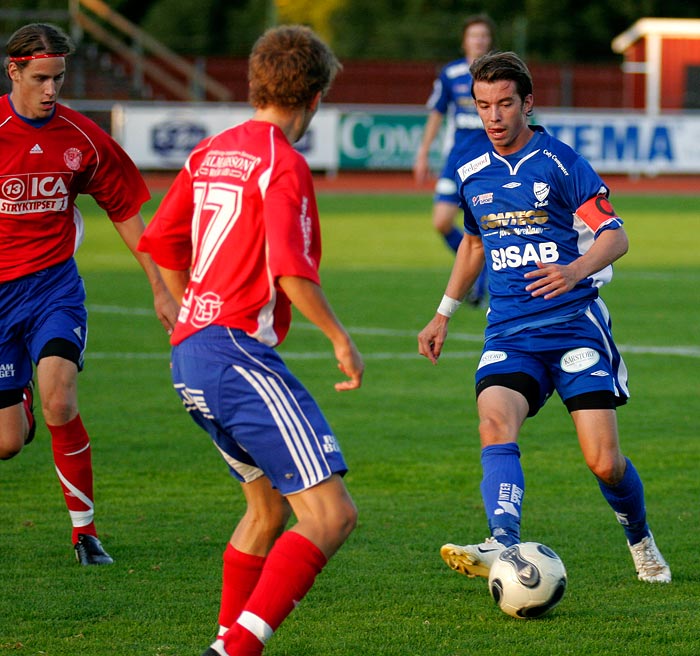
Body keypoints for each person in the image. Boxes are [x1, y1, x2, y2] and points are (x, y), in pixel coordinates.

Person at [137, 25, 365, 656]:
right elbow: (291, 272)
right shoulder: (282, 164)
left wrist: (187, 305)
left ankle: (223, 637)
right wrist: (340, 339)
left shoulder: (211, 151)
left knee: (265, 511)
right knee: (332, 515)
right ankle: (233, 650)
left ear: (257, 82)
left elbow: (160, 241)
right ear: (315, 96)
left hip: (191, 356)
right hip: (237, 356)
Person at [417, 51, 671, 584]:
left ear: (527, 104)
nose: (493, 116)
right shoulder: (470, 171)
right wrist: (443, 314)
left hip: (574, 326)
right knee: (494, 421)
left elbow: (615, 235)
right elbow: (472, 243)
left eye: (504, 103)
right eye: (483, 105)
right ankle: (502, 543)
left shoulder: (559, 162)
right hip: (509, 331)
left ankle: (641, 540)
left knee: (605, 462)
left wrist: (574, 271)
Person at [0, 23, 178, 565]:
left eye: (58, 77)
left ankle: (85, 533)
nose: (51, 89)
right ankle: (19, 402)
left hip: (54, 287)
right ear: (14, 70)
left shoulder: (82, 138)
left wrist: (160, 287)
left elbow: (126, 212)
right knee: (8, 442)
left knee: (62, 400)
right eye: (40, 78)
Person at [413, 13, 495, 306]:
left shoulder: (499, 74)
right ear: (465, 40)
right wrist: (423, 152)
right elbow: (436, 113)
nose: (479, 41)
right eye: (474, 36)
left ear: (489, 41)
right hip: (457, 160)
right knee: (441, 221)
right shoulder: (451, 74)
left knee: (487, 225)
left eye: (484, 36)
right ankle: (479, 266)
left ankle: (480, 280)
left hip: (489, 163)